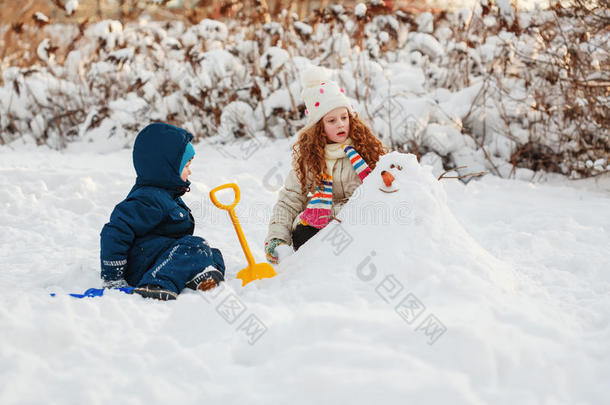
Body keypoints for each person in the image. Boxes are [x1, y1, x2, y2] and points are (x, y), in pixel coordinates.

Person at [264, 66, 386, 264]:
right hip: (326, 222)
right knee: (303, 229)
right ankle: (318, 266)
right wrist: (277, 238)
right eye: (331, 120)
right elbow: (290, 198)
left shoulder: (366, 149)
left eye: (344, 117)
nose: (340, 124)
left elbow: (392, 176)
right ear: (318, 127)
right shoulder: (310, 159)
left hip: (362, 218)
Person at [100, 123, 225, 300]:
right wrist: (113, 277)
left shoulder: (167, 194)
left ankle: (198, 276)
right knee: (193, 246)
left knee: (212, 253)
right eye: (186, 165)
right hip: (144, 267)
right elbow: (115, 231)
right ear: (169, 168)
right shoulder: (148, 198)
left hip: (161, 258)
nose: (190, 171)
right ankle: (156, 284)